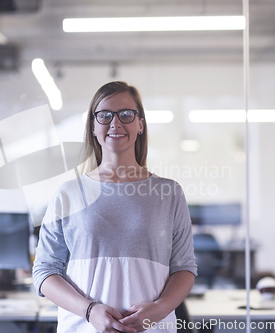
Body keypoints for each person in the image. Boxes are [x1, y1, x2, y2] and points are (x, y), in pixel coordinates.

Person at [32, 81, 197, 333]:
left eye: (126, 114)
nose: (115, 123)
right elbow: (44, 271)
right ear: (93, 126)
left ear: (140, 124)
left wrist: (160, 309)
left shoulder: (168, 192)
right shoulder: (68, 194)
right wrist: (89, 311)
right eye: (105, 115)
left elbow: (184, 267)